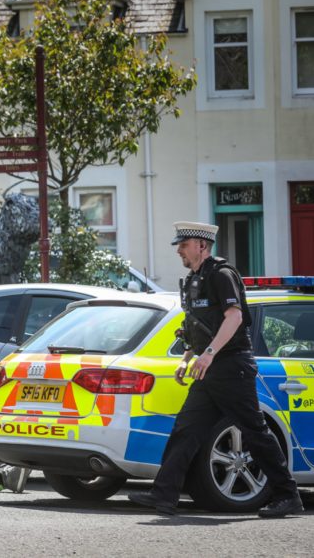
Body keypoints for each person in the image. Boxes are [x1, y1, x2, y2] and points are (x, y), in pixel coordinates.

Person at [129, 221, 303, 518]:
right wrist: (187, 357)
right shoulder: (194, 278)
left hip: (231, 365)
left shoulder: (222, 275)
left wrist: (207, 355)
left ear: (202, 245)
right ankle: (165, 495)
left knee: (254, 431)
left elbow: (234, 318)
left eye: (183, 245)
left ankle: (288, 495)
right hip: (209, 367)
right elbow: (195, 325)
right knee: (186, 430)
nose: (179, 251)